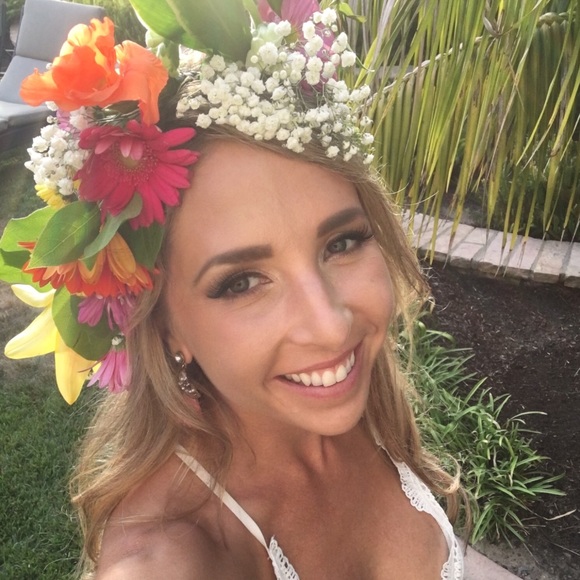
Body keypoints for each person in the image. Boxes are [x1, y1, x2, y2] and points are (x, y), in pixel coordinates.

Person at [1, 1, 520, 578]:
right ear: (165, 325)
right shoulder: (169, 558)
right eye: (242, 282)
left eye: (343, 243)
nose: (331, 325)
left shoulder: (367, 409)